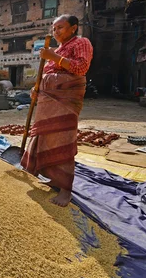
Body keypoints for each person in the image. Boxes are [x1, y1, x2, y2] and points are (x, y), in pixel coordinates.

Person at [20, 14, 93, 207]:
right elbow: (46, 74)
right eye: (54, 29)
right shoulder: (58, 49)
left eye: (60, 27)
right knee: (43, 137)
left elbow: (81, 68)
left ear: (73, 28)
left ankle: (65, 189)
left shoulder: (81, 43)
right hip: (47, 100)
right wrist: (37, 89)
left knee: (62, 139)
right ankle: (49, 176)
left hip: (65, 99)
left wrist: (54, 57)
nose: (56, 32)